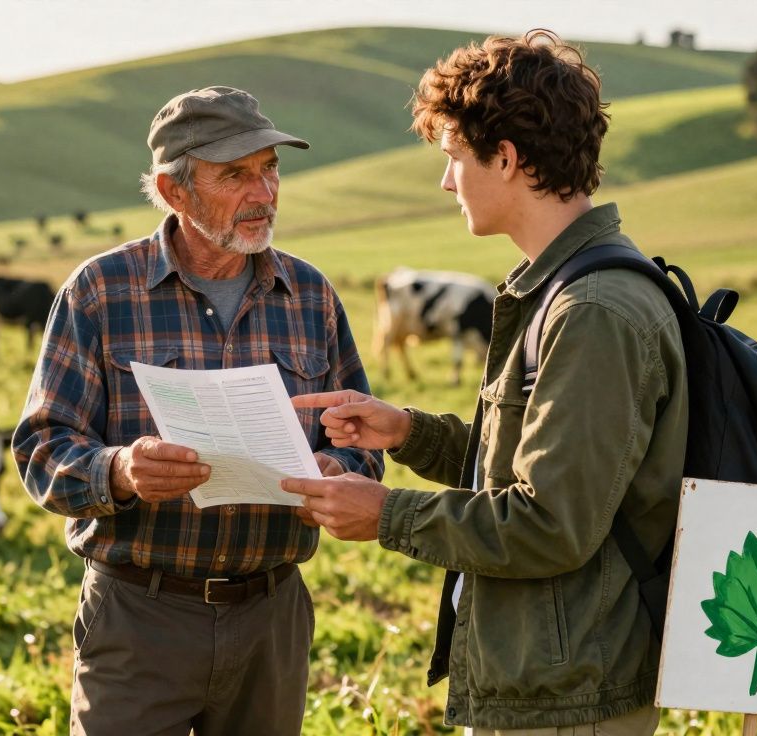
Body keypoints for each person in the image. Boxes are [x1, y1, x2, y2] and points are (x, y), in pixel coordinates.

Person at [281, 31, 687, 736]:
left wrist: (385, 514)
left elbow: (549, 522)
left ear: (506, 159)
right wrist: (410, 432)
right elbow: (541, 462)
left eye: (453, 158)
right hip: (547, 678)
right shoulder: (563, 289)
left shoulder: (592, 312)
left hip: (570, 699)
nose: (445, 182)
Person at [12, 85, 383, 735]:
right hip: (139, 616)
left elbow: (361, 441)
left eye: (270, 168)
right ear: (173, 190)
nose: (264, 193)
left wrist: (336, 468)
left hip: (273, 617)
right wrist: (120, 470)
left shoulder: (312, 296)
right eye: (236, 174)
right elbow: (41, 450)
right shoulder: (100, 291)